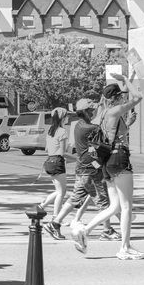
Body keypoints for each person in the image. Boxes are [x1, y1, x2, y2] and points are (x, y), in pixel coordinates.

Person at [71, 81, 144, 259]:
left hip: (107, 162)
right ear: (116, 97)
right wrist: (126, 79)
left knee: (114, 207)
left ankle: (84, 230)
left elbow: (112, 134)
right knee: (126, 207)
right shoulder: (114, 110)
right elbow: (138, 97)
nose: (123, 98)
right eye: (120, 95)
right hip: (119, 158)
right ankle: (124, 248)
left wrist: (128, 123)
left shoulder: (102, 115)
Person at [49, 98, 117, 241]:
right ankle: (107, 230)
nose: (93, 112)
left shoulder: (79, 125)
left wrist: (101, 104)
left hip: (82, 168)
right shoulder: (92, 128)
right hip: (91, 170)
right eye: (91, 110)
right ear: (85, 112)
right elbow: (97, 146)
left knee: (74, 198)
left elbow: (90, 148)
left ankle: (55, 223)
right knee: (103, 201)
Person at [41, 107, 71, 238]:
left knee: (59, 190)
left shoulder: (50, 131)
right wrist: (77, 158)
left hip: (49, 161)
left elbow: (48, 148)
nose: (68, 118)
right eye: (67, 116)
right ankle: (56, 218)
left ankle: (42, 205)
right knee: (62, 192)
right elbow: (63, 153)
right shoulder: (63, 131)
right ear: (62, 118)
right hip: (57, 161)